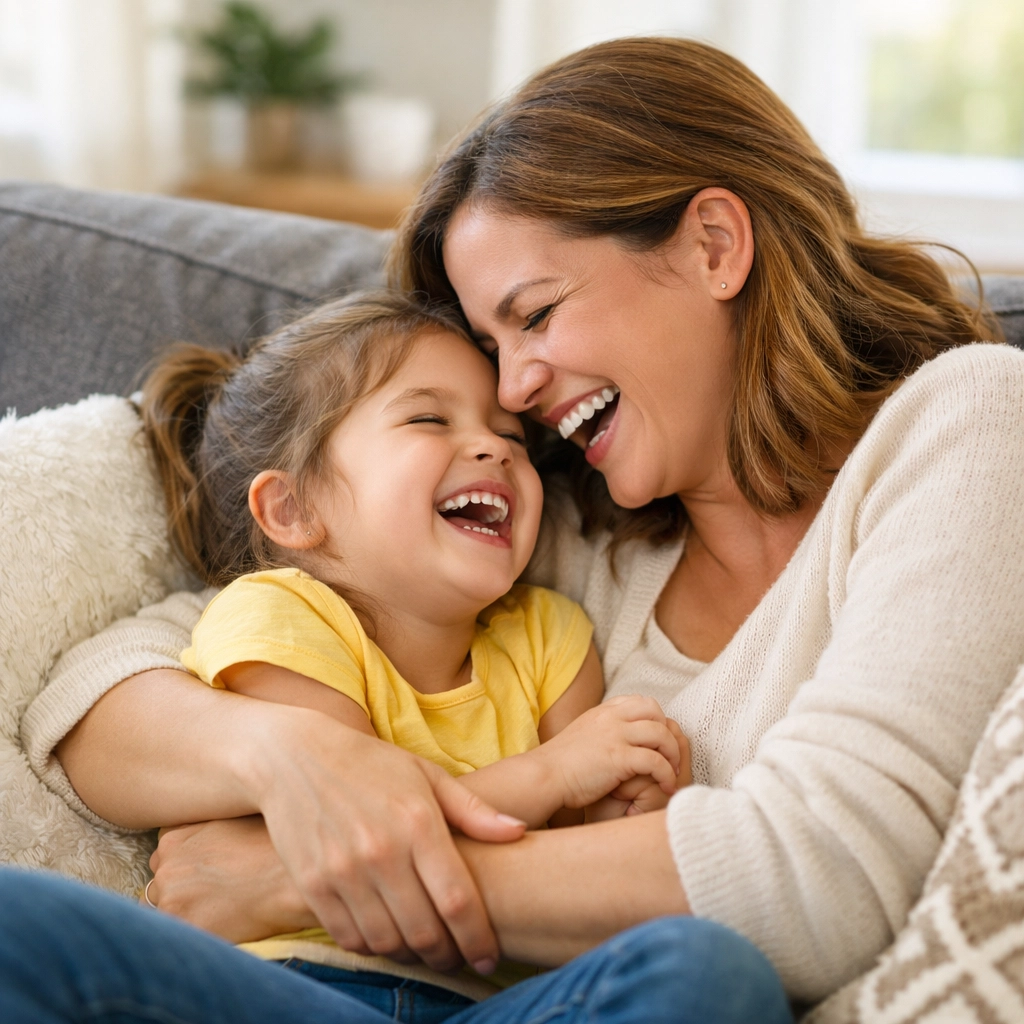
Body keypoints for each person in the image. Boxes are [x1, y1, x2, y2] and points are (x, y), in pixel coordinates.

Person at [27, 35, 1024, 1014]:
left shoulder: (967, 419)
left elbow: (822, 879)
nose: (513, 393)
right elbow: (94, 687)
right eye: (491, 346)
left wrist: (312, 879)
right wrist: (294, 757)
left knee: (700, 974)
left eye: (536, 314)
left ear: (713, 246)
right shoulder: (567, 536)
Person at [137, 288, 688, 1000]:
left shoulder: (552, 637)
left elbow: (570, 857)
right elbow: (359, 829)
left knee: (698, 964)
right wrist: (554, 773)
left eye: (514, 437)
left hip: (492, 1001)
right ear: (295, 508)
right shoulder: (281, 615)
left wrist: (621, 802)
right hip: (308, 982)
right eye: (429, 418)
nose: (495, 446)